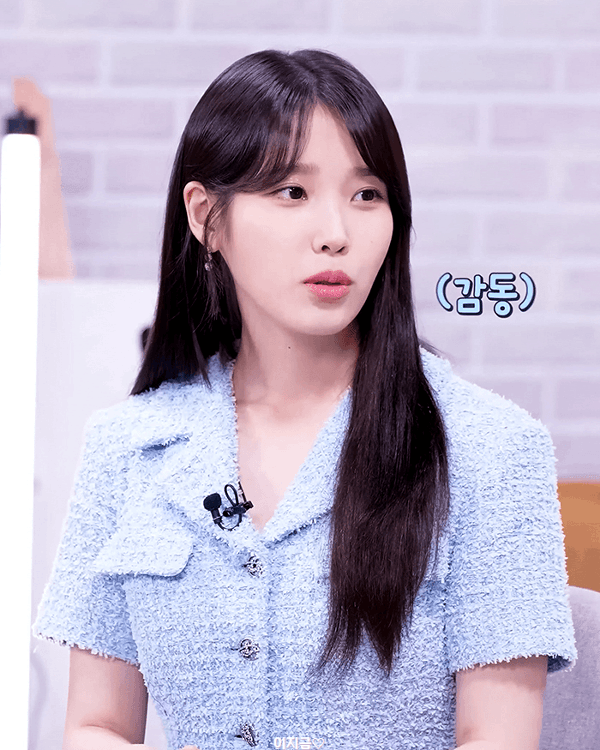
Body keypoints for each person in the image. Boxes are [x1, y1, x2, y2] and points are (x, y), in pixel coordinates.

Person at [33, 49, 577, 750]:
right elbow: (96, 725)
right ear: (206, 216)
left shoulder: (491, 448)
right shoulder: (128, 449)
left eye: (367, 195)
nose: (336, 234)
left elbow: (497, 740)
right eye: (292, 192)